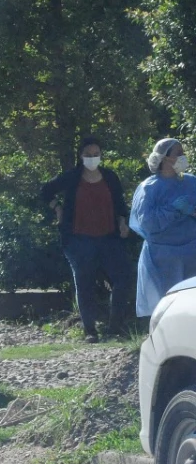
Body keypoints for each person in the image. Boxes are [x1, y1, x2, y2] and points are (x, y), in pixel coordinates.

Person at [39, 136, 133, 342]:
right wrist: (57, 208)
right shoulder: (73, 177)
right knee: (84, 283)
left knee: (123, 278)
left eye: (96, 154)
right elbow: (45, 191)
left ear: (101, 155)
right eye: (88, 155)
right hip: (78, 240)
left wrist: (123, 223)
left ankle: (115, 326)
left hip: (109, 237)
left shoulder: (110, 177)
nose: (92, 158)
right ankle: (90, 330)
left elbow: (120, 204)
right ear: (81, 156)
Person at [130, 138, 196, 318]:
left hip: (192, 252)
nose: (183, 157)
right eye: (178, 153)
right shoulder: (149, 189)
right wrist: (172, 210)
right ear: (164, 158)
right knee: (167, 305)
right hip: (163, 257)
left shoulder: (191, 183)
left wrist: (191, 211)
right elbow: (147, 223)